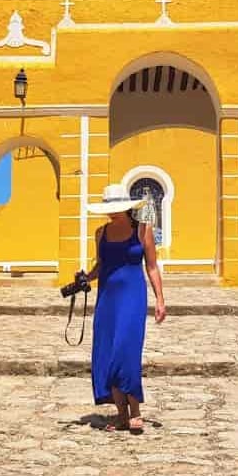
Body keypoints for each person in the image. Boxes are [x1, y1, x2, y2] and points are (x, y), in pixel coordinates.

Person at [85, 183, 166, 435]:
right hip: (107, 299)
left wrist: (160, 299)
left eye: (115, 208)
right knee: (108, 353)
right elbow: (101, 265)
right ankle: (121, 414)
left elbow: (152, 266)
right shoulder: (101, 233)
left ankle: (136, 412)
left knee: (126, 351)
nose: (112, 212)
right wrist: (86, 278)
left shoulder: (142, 230)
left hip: (133, 297)